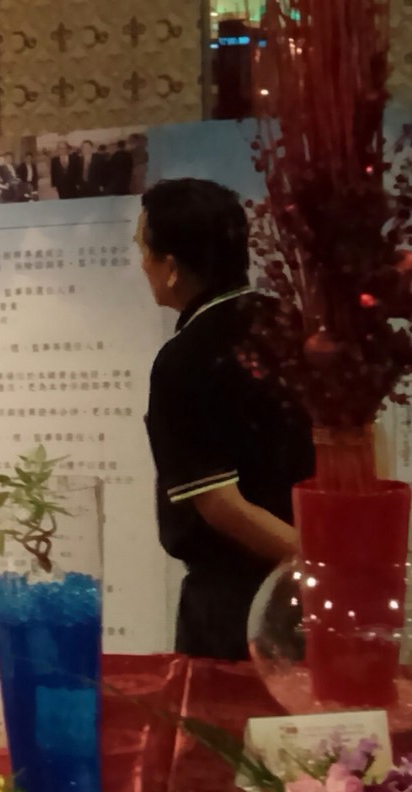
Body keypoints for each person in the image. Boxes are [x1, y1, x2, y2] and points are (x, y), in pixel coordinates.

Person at [137, 178, 314, 659]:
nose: (142, 264)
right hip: (316, 591)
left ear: (172, 267)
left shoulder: (183, 359)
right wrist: (329, 566)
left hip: (233, 606)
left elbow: (220, 505)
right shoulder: (295, 325)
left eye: (144, 249)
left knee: (226, 707)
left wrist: (311, 561)